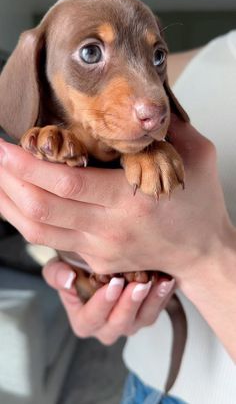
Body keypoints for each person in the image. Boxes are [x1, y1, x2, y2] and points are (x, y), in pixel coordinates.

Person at [0, 30, 236, 404]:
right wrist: (91, 264)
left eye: (155, 56)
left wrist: (204, 256)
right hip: (142, 385)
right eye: (92, 51)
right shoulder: (202, 56)